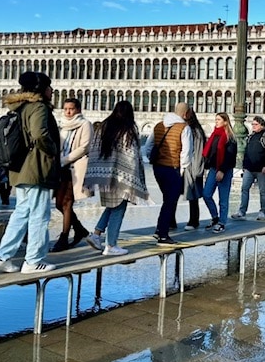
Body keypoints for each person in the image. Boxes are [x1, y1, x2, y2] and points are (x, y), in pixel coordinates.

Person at [0, 71, 60, 274]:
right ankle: (34, 260)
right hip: (37, 168)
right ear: (41, 89)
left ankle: (2, 256)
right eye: (48, 87)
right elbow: (39, 134)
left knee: (21, 213)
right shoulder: (38, 107)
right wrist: (53, 150)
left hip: (20, 168)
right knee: (39, 215)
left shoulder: (20, 107)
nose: (51, 90)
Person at [84, 101, 149, 255]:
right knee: (119, 208)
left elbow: (94, 149)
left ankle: (96, 234)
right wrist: (134, 176)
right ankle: (111, 245)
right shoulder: (128, 129)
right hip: (121, 175)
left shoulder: (104, 127)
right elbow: (131, 154)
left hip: (105, 175)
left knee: (113, 205)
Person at [142, 102, 192, 244]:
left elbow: (148, 146)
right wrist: (182, 169)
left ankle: (160, 230)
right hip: (173, 167)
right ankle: (162, 233)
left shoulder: (159, 125)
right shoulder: (184, 128)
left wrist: (153, 159)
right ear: (185, 114)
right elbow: (186, 152)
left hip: (158, 167)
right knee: (170, 201)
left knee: (167, 200)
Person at [51, 98, 93, 252]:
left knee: (67, 202)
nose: (68, 112)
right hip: (61, 167)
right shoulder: (62, 124)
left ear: (78, 110)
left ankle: (63, 237)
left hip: (75, 168)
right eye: (66, 109)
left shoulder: (85, 124)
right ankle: (80, 229)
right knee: (58, 203)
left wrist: (64, 160)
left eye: (71, 109)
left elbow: (84, 147)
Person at [231, 116, 265, 221]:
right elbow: (246, 151)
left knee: (262, 191)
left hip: (261, 170)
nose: (253, 126)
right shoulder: (251, 137)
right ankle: (242, 211)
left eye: (255, 124)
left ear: (261, 125)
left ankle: (262, 211)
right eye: (252, 124)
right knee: (244, 189)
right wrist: (244, 165)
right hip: (249, 169)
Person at [202, 112, 237, 234]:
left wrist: (222, 170)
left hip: (225, 170)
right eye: (215, 119)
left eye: (218, 120)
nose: (216, 121)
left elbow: (230, 156)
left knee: (223, 198)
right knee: (206, 194)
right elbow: (211, 153)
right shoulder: (215, 135)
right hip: (213, 168)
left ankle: (222, 222)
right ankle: (215, 217)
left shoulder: (230, 138)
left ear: (225, 122)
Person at [183, 107, 205, 230]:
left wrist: (197, 169)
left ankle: (194, 220)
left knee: (193, 195)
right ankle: (172, 220)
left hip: (193, 166)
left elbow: (198, 151)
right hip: (188, 165)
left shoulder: (195, 131)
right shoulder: (193, 130)